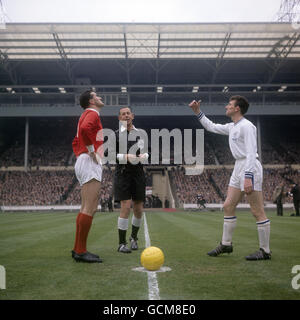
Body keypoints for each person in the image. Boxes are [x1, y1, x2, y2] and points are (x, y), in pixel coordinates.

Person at [189, 96, 271, 260]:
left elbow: (250, 151)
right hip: (238, 166)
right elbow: (211, 126)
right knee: (228, 205)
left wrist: (248, 176)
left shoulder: (247, 126)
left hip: (250, 167)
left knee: (257, 210)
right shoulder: (232, 126)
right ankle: (226, 244)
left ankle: (265, 251)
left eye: (230, 105)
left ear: (237, 109)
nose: (226, 106)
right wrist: (198, 112)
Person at [71, 90, 104, 263]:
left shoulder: (85, 114)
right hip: (89, 161)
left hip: (83, 160)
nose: (99, 97)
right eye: (96, 95)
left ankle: (77, 248)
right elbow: (85, 130)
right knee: (89, 208)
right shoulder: (92, 113)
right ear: (91, 101)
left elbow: (76, 140)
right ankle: (81, 251)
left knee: (86, 207)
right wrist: (92, 151)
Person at [111, 107, 149, 253]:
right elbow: (109, 154)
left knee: (138, 208)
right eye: (123, 114)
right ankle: (121, 243)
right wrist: (126, 157)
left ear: (132, 116)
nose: (126, 116)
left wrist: (143, 157)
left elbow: (147, 152)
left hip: (138, 173)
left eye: (128, 113)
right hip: (122, 173)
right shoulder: (114, 135)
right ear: (119, 118)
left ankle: (133, 238)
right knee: (126, 206)